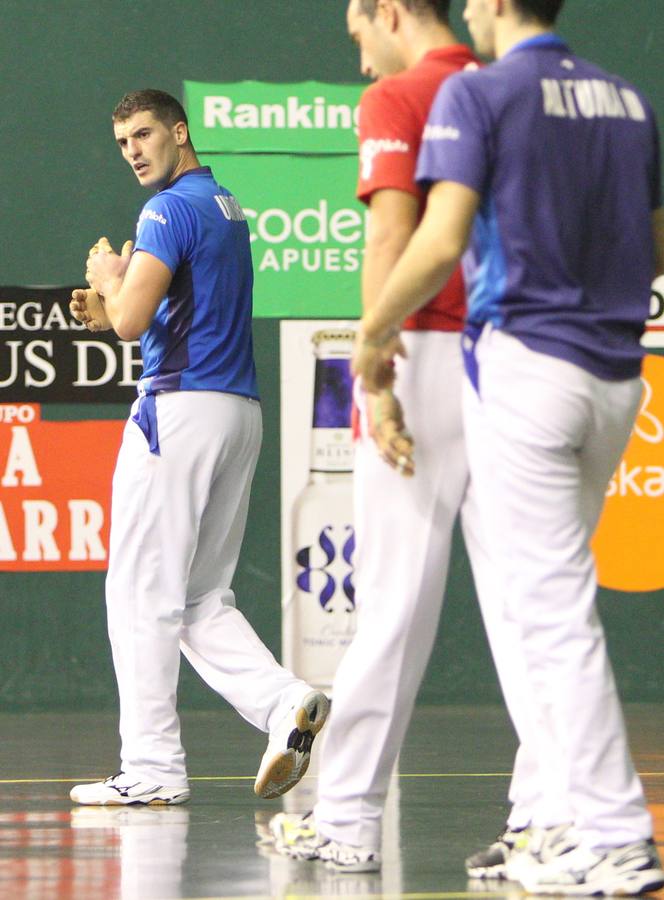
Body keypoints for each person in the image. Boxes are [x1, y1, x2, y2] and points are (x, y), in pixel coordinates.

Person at [351, 0, 664, 894]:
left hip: (530, 375)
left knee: (550, 614)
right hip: (616, 381)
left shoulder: (478, 95)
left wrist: (374, 334)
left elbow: (437, 237)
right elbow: (652, 248)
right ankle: (557, 824)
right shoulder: (627, 100)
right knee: (545, 606)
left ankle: (611, 833)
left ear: (489, 4)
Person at [270, 0, 541, 873]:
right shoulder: (509, 86)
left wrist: (371, 362)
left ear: (389, 11)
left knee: (390, 603)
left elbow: (394, 231)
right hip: (512, 358)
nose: (360, 63)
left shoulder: (401, 96)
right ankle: (543, 818)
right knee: (527, 607)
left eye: (359, 36)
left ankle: (345, 821)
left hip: (419, 353)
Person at [68, 89, 329, 806]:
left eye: (145, 135)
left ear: (180, 131)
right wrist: (117, 303)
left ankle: (151, 770)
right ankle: (284, 704)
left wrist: (108, 281)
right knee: (198, 597)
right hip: (236, 412)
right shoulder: (225, 206)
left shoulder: (165, 209)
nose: (135, 152)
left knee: (138, 593)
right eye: (124, 143)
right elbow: (162, 312)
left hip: (179, 411)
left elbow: (130, 322)